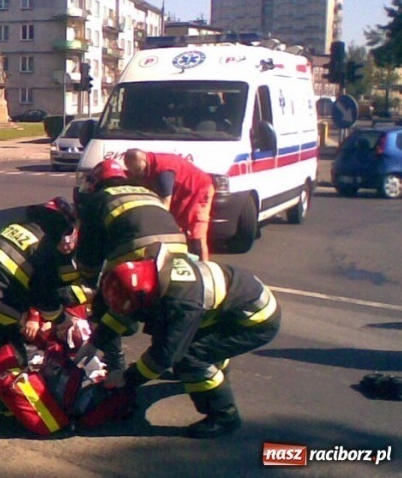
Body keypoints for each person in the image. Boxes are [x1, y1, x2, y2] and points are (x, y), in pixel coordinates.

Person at [93, 253, 281, 438]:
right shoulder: (152, 271)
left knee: (189, 358)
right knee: (186, 344)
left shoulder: (181, 304)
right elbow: (127, 310)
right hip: (234, 302)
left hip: (255, 321)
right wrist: (95, 340)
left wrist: (128, 379)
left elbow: (165, 355)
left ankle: (224, 415)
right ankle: (216, 368)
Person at [73, 159, 189, 383]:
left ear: (97, 182)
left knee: (108, 301)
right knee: (169, 309)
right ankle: (185, 361)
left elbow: (90, 253)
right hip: (178, 254)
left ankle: (115, 367)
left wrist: (89, 282)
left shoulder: (99, 200)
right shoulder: (147, 191)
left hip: (141, 255)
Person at [0, 197, 86, 360]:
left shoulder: (18, 226)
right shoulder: (46, 247)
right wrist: (62, 319)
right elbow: (43, 295)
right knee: (15, 360)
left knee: (0, 336)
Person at [124, 148, 215, 261]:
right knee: (177, 230)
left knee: (196, 234)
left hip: (199, 190)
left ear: (144, 159)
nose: (136, 174)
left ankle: (204, 266)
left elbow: (164, 207)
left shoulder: (163, 172)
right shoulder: (142, 169)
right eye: (132, 171)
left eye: (138, 170)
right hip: (180, 195)